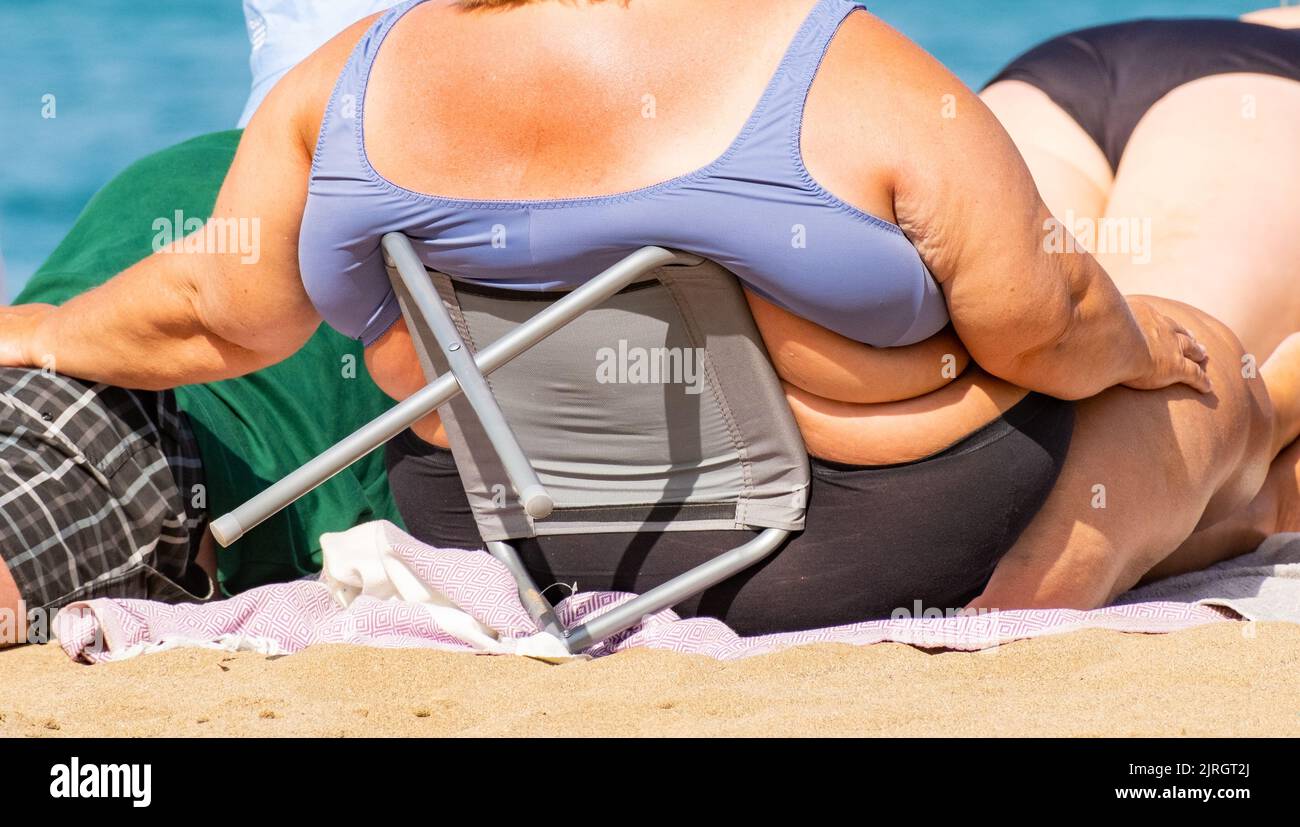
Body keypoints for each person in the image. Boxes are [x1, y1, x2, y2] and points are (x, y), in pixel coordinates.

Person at [2, 0, 1297, 634]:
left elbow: (213, 319)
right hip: (853, 536)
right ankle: (1251, 426)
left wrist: (43, 332)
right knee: (1189, 384)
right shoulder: (825, 59)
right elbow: (1040, 316)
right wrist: (1134, 341)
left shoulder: (339, 92)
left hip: (542, 540)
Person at [0, 132, 402, 644]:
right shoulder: (394, 191)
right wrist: (47, 335)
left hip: (87, 402)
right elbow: (232, 312)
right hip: (127, 424)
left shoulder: (269, 140)